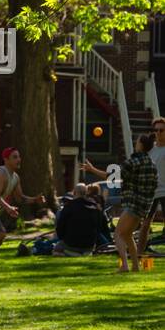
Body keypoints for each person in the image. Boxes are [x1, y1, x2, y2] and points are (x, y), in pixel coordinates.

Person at [83, 134, 158, 272]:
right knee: (127, 235)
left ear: (140, 145)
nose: (135, 144)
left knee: (118, 233)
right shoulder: (152, 164)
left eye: (137, 142)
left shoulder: (133, 162)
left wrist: (92, 169)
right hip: (144, 207)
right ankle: (135, 266)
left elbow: (111, 177)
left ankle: (124, 266)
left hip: (132, 204)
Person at [53, 183, 107, 256]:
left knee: (56, 248)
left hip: (70, 245)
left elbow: (60, 228)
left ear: (74, 193)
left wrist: (63, 238)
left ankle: (71, 253)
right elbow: (98, 228)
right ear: (86, 193)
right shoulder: (95, 207)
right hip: (89, 245)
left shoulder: (68, 207)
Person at [137, 116, 165, 250]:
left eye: (162, 130)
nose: (158, 133)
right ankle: (139, 253)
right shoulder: (150, 150)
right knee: (145, 224)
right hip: (151, 192)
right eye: (156, 130)